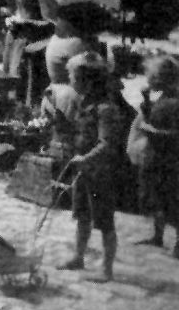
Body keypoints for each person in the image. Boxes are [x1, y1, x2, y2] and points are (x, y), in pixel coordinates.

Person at [58, 52, 126, 281]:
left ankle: (107, 269)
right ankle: (78, 256)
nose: (70, 80)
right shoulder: (83, 103)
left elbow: (107, 143)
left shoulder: (105, 109)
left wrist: (86, 158)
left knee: (105, 221)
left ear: (87, 81)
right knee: (82, 215)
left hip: (101, 173)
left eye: (73, 77)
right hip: (84, 171)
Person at [136, 54, 179, 257]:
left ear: (162, 78)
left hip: (168, 158)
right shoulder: (162, 99)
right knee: (156, 197)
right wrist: (145, 103)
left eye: (151, 77)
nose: (148, 81)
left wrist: (151, 131)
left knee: (171, 199)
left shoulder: (175, 102)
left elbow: (174, 133)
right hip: (156, 155)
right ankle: (157, 235)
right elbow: (152, 118)